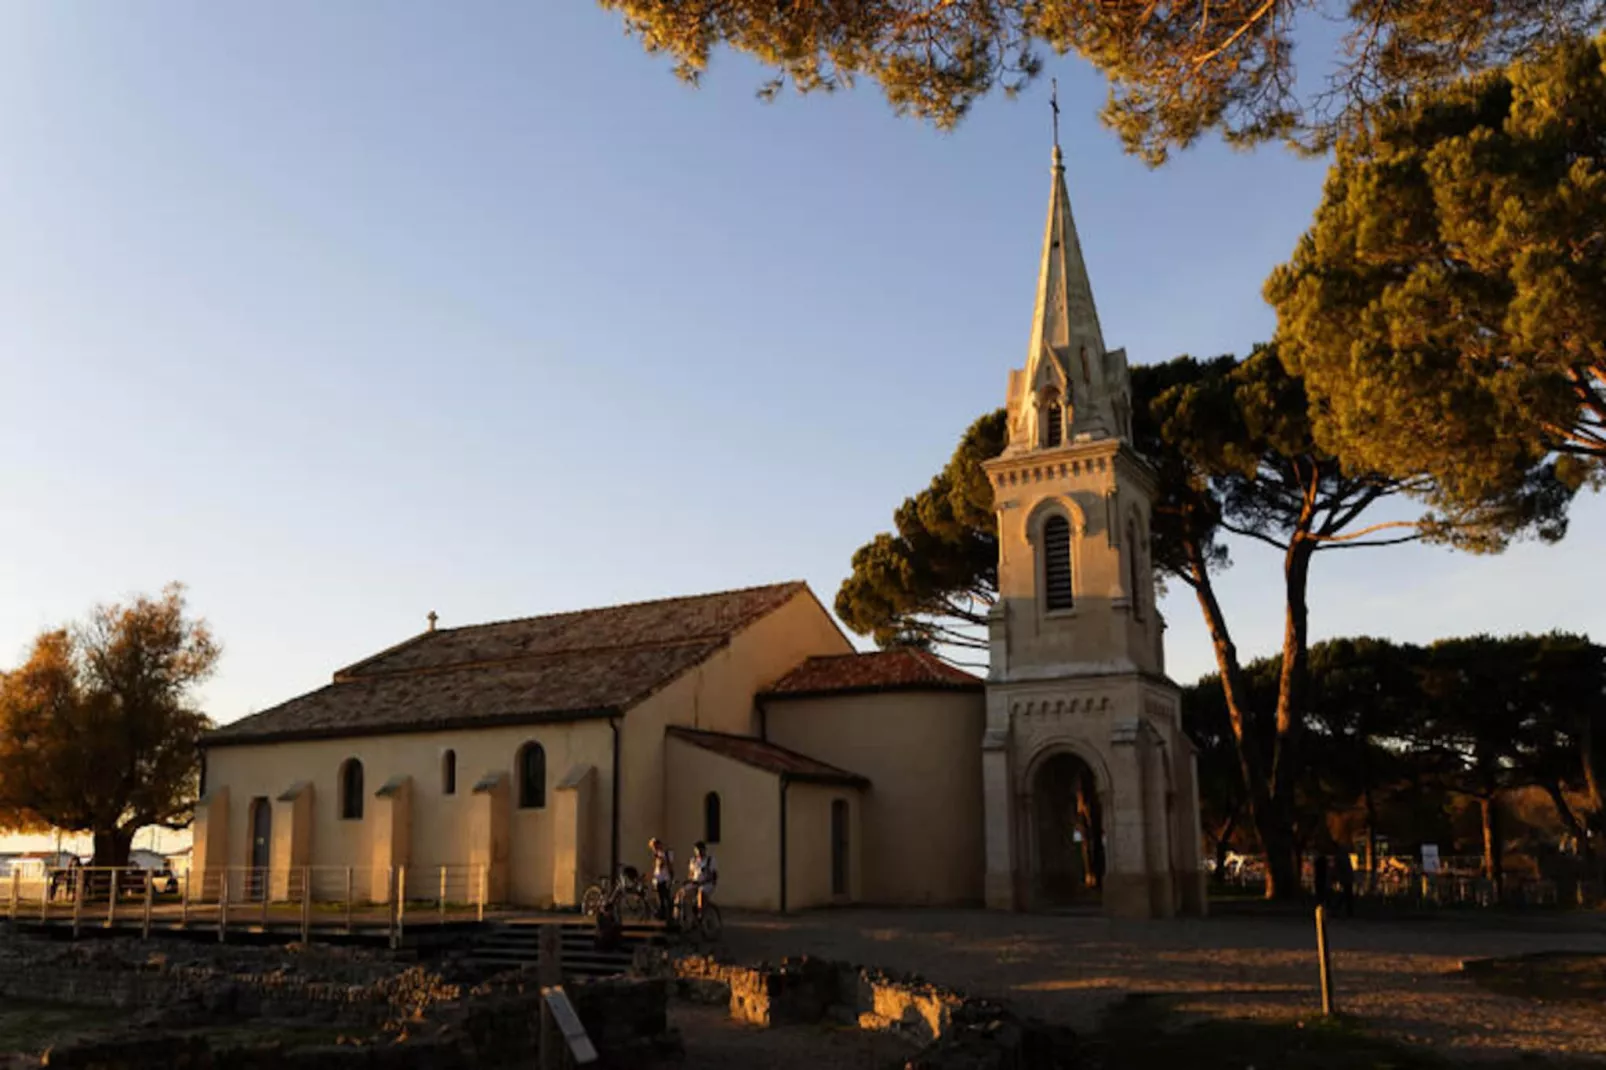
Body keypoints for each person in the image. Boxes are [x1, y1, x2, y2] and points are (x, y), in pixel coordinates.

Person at [687, 840, 718, 919]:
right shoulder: (693, 861)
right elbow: (691, 874)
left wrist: (705, 881)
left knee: (701, 892)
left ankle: (700, 913)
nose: (699, 852)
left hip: (707, 884)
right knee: (682, 892)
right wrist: (690, 880)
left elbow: (714, 876)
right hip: (696, 883)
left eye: (701, 850)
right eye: (697, 850)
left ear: (704, 850)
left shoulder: (710, 860)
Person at [648, 837, 674, 922]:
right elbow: (657, 868)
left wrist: (661, 858)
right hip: (658, 879)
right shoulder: (657, 855)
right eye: (653, 847)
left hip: (665, 878)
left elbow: (669, 865)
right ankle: (662, 914)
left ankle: (670, 915)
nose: (654, 849)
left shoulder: (666, 853)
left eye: (655, 846)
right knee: (660, 898)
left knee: (666, 897)